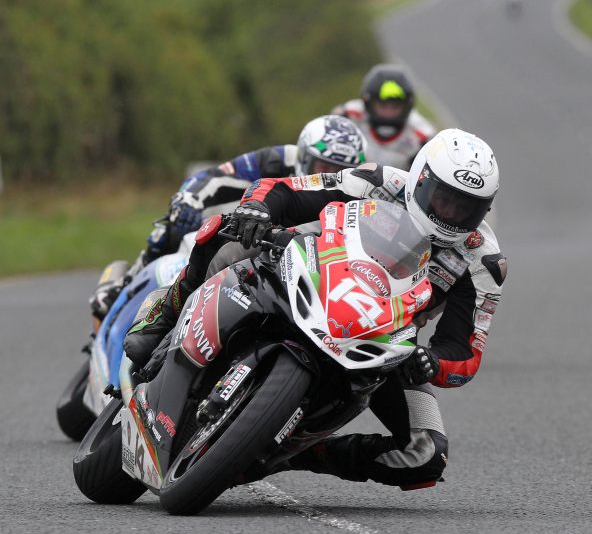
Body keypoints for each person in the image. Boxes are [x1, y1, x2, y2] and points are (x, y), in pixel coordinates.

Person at [125, 128, 506, 491]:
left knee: (426, 455)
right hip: (309, 268)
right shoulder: (378, 181)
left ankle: (299, 452)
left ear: (484, 209)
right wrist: (257, 208)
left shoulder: (483, 260)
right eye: (444, 198)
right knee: (226, 235)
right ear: (420, 179)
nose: (451, 213)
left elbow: (465, 351)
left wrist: (433, 362)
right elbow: (286, 190)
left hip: (386, 339)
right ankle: (166, 316)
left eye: (465, 207)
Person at [89, 115, 367, 321]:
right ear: (305, 158)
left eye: (340, 169)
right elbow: (217, 176)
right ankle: (123, 290)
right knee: (176, 227)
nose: (328, 175)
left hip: (302, 263)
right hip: (242, 232)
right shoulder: (280, 158)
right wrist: (189, 200)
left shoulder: (357, 189)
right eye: (323, 166)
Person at [332, 63, 436, 171]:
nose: (388, 112)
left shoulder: (423, 137)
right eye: (382, 105)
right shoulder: (347, 116)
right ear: (368, 102)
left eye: (395, 106)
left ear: (407, 106)